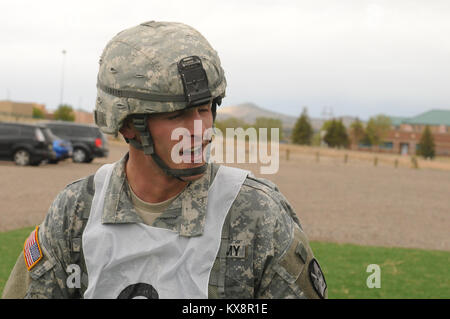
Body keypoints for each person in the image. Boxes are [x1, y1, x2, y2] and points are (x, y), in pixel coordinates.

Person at [2, 21, 327, 299]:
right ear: (128, 124)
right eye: (178, 115)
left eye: (205, 110)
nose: (201, 131)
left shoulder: (257, 214)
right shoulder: (76, 211)